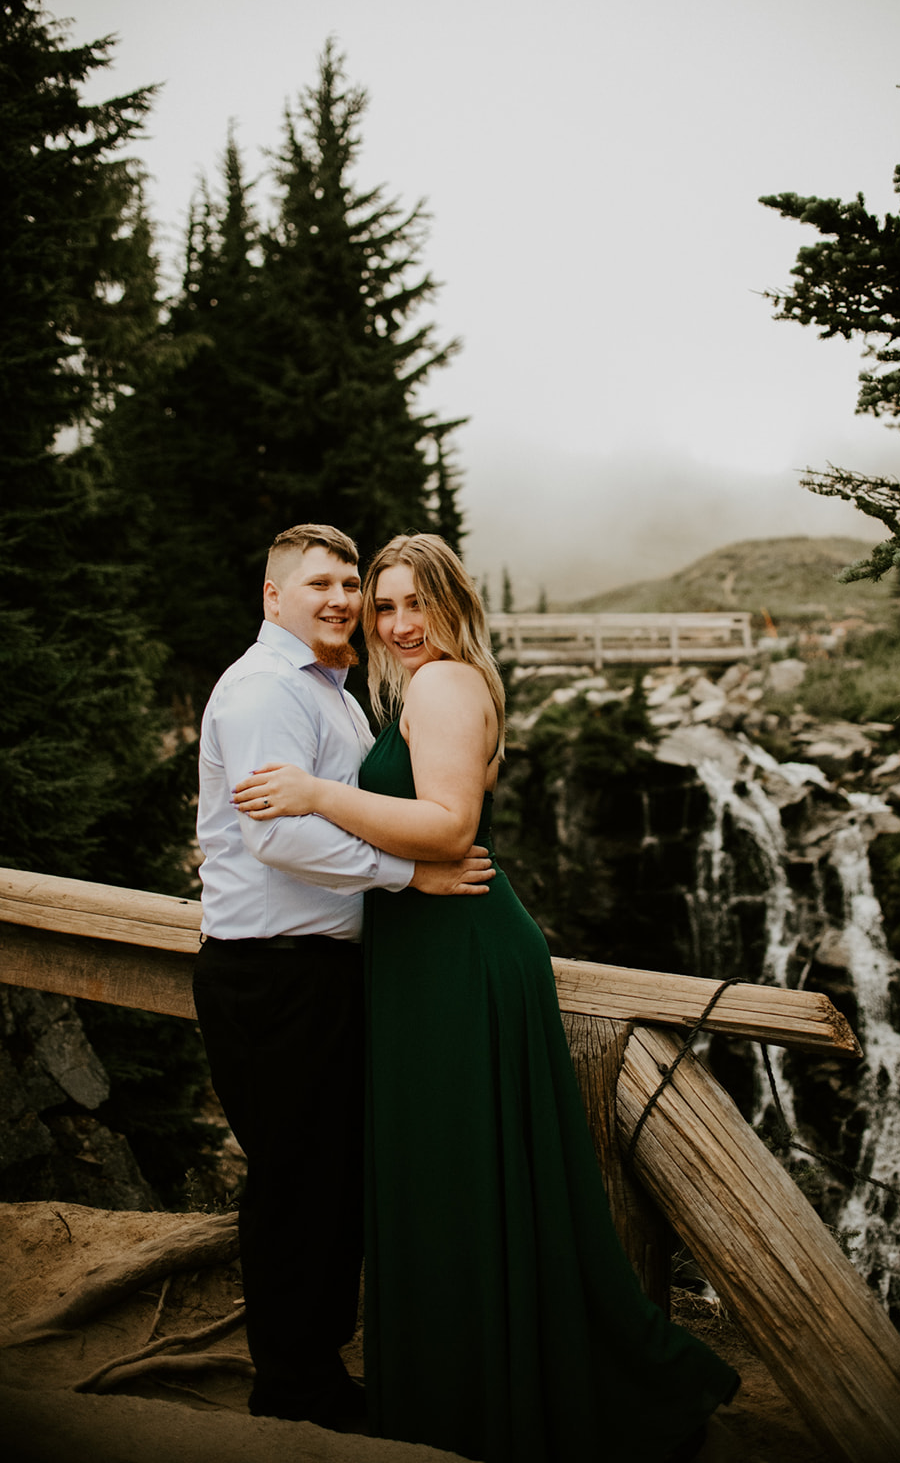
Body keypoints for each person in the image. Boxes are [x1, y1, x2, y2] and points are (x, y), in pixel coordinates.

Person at [233, 532, 740, 1463]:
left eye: (409, 602)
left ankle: (500, 1396)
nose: (394, 623)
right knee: (450, 1173)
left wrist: (313, 794)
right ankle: (470, 1388)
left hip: (458, 951)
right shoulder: (426, 685)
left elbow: (449, 824)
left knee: (461, 1169)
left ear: (452, 602)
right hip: (428, 952)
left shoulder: (443, 683)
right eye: (381, 606)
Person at [193, 523, 494, 1432]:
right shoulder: (261, 692)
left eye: (350, 583)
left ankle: (320, 1370)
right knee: (295, 1185)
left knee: (329, 1182)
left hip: (324, 972)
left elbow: (342, 814)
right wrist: (413, 875)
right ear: (272, 599)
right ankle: (295, 1389)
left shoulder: (339, 695)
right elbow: (278, 833)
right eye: (319, 583)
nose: (343, 600)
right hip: (274, 976)